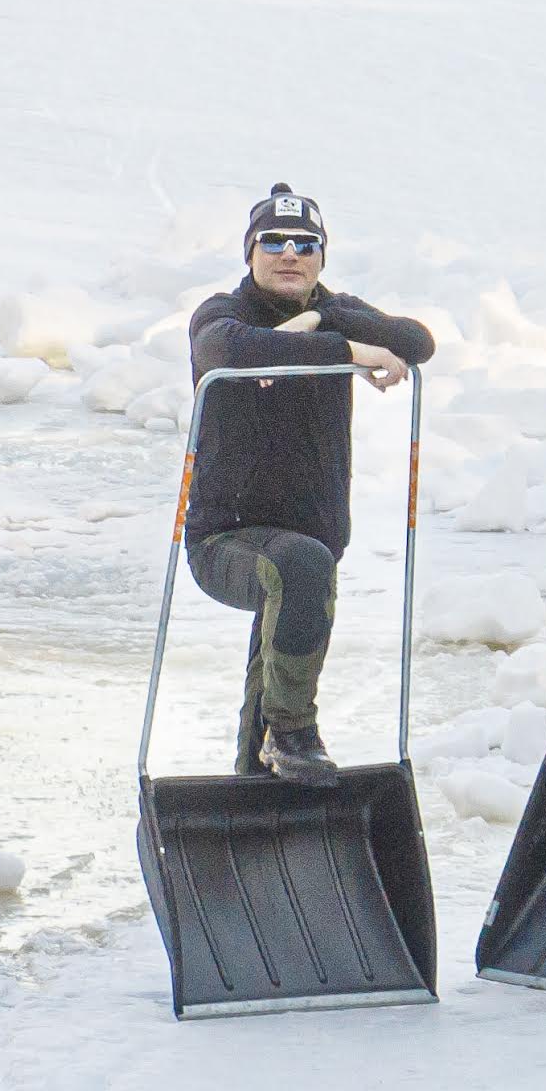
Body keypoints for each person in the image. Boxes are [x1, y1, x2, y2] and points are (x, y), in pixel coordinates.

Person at [185, 183, 435, 785]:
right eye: (273, 241)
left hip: (311, 542)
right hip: (228, 542)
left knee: (295, 591)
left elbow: (418, 342)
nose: (289, 253)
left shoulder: (335, 306)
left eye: (306, 243)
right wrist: (346, 346)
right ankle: (294, 735)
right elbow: (234, 351)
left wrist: (323, 316)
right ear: (250, 253)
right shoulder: (222, 316)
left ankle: (254, 789)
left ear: (322, 256)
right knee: (299, 566)